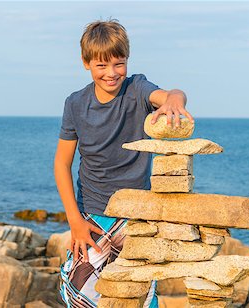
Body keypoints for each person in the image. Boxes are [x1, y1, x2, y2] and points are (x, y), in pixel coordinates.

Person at [54, 19, 194, 308]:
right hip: (92, 214)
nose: (111, 73)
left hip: (136, 216)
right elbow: (61, 164)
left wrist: (174, 103)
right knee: (77, 293)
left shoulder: (137, 89)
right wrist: (74, 221)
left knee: (139, 295)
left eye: (119, 64)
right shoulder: (75, 104)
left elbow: (172, 94)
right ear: (86, 63)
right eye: (101, 65)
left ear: (127, 61)